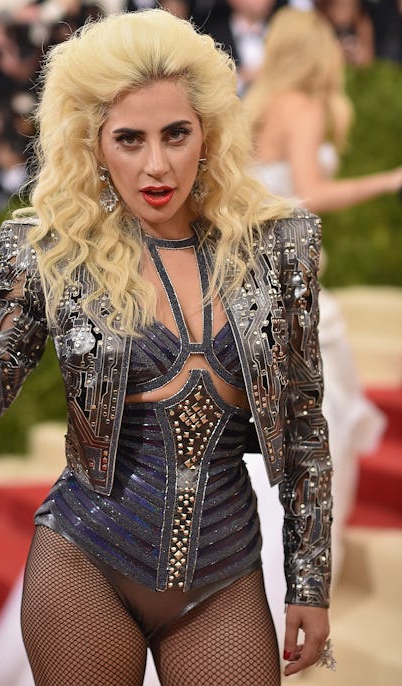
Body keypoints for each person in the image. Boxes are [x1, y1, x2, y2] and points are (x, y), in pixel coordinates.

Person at [0, 9, 335, 685]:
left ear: (208, 131)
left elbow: (305, 425)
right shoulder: (52, 251)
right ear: (92, 143)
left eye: (176, 134)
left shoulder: (278, 247)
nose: (156, 165)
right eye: (129, 139)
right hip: (86, 559)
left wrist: (309, 581)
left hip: (225, 570)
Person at [243, 4, 388, 649]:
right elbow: (310, 192)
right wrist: (389, 179)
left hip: (261, 288)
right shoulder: (301, 106)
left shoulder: (255, 104)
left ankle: (253, 588)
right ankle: (295, 588)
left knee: (277, 441)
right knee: (318, 434)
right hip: (297, 295)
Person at [243, 7, 402, 213]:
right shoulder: (304, 107)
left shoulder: (260, 102)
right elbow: (311, 196)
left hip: (254, 225)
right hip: (284, 228)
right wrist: (389, 181)